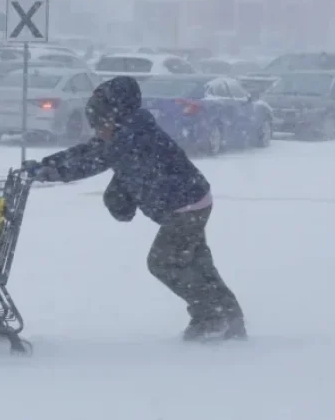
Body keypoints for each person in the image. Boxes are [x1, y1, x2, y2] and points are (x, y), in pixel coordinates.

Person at [23, 76, 246, 342]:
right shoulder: (127, 129)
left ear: (114, 115)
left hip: (185, 206)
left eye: (100, 122)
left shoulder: (130, 137)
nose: (97, 130)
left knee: (163, 262)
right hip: (193, 199)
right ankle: (223, 316)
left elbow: (91, 161)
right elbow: (89, 151)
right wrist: (47, 164)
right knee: (196, 263)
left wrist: (50, 172)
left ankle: (214, 315)